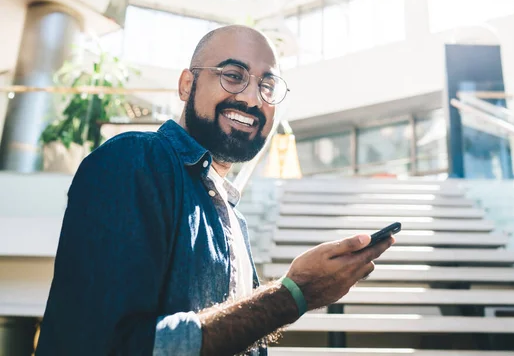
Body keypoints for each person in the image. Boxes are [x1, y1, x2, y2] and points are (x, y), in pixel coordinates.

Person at [36, 25, 394, 356]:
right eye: (233, 76)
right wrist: (292, 295)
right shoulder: (135, 161)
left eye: (267, 86)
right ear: (186, 85)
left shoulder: (233, 217)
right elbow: (107, 346)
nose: (253, 99)